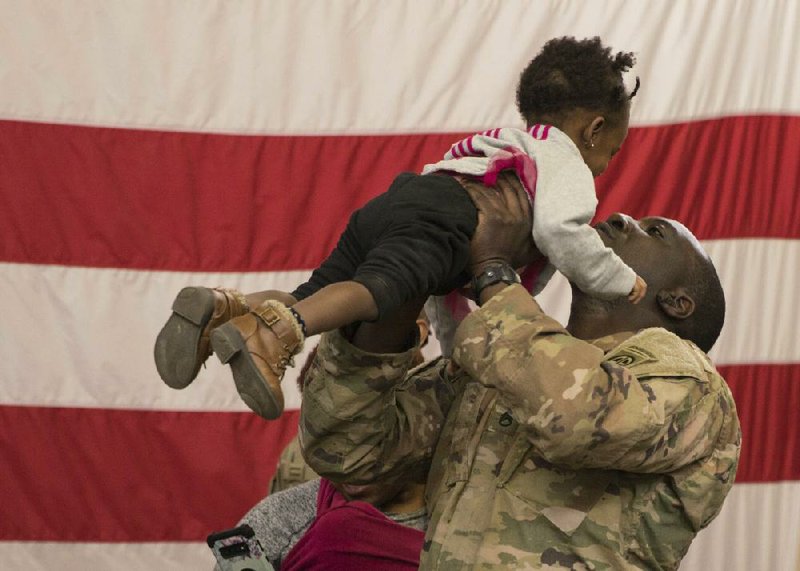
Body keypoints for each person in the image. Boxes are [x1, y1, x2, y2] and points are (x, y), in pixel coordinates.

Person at [154, 36, 647, 421]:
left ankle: (227, 312)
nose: (605, 166)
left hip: (402, 200)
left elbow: (443, 293)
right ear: (594, 129)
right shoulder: (564, 159)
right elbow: (564, 233)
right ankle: (278, 335)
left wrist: (456, 354)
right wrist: (619, 280)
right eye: (613, 152)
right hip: (446, 216)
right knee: (379, 291)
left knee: (320, 291)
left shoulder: (506, 143)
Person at [298, 173, 742, 569]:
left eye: (655, 231)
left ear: (677, 301)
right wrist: (408, 277)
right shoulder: (500, 371)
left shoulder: (693, 383)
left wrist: (492, 271)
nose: (623, 218)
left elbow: (577, 418)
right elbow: (350, 451)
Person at [214, 314, 433, 571]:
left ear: (417, 423)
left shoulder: (471, 515)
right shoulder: (276, 524)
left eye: (364, 439)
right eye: (329, 443)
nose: (346, 460)